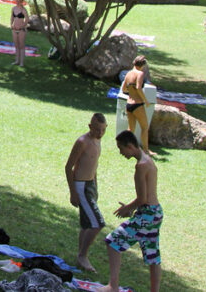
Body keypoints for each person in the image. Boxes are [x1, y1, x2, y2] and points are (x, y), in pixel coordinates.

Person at [100, 130, 162, 292]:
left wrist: (127, 208)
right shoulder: (148, 160)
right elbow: (146, 198)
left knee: (113, 241)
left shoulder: (141, 166)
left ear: (130, 146)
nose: (121, 153)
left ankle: (112, 286)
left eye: (121, 148)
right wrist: (134, 209)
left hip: (147, 215)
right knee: (152, 256)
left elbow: (142, 198)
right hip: (154, 212)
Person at [65, 112, 108, 273]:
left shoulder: (98, 141)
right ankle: (83, 255)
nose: (100, 133)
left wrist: (95, 186)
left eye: (103, 130)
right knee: (98, 223)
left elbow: (93, 166)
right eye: (97, 129)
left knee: (87, 223)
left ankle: (80, 257)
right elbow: (69, 167)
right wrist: (72, 193)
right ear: (90, 126)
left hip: (90, 185)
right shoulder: (82, 142)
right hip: (80, 186)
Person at [120, 56, 155, 156]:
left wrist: (131, 91)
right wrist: (145, 100)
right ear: (143, 65)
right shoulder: (140, 73)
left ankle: (123, 146)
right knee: (144, 128)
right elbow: (139, 88)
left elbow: (123, 89)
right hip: (137, 104)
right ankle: (146, 150)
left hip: (129, 104)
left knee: (131, 129)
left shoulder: (128, 73)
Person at [10, 0, 29, 66]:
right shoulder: (13, 8)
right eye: (16, 1)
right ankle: (17, 61)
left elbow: (27, 19)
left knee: (21, 46)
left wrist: (23, 26)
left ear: (21, 2)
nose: (17, 2)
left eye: (19, 1)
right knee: (16, 45)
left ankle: (22, 62)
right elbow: (12, 17)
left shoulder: (23, 10)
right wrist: (11, 24)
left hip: (21, 30)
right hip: (14, 29)